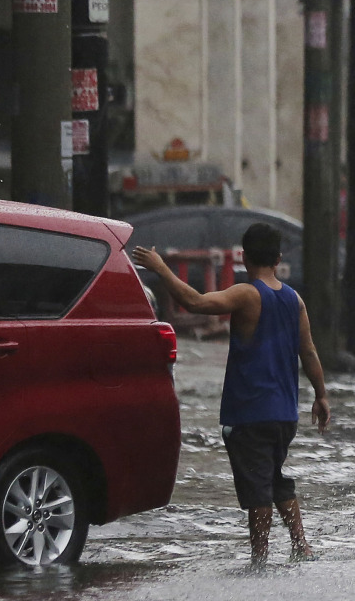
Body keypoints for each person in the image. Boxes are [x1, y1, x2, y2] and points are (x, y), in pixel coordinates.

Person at [134, 223, 331, 567]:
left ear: (243, 257)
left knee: (257, 486)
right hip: (286, 413)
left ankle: (259, 560)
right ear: (278, 258)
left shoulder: (247, 294)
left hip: (251, 412)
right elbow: (310, 352)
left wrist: (161, 268)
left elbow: (193, 302)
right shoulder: (294, 299)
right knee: (274, 477)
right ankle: (301, 545)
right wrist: (321, 396)